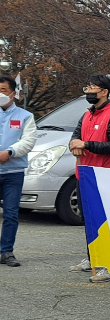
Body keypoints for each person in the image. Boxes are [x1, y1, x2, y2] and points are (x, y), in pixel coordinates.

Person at [67, 75, 110, 282]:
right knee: (88, 220)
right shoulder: (86, 114)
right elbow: (75, 137)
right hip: (83, 174)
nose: (89, 91)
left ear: (104, 92)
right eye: (88, 86)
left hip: (103, 177)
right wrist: (74, 145)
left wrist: (87, 145)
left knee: (104, 223)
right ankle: (94, 258)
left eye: (93, 87)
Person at [0, 76, 37, 267]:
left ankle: (6, 252)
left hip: (13, 172)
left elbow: (28, 140)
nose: (0, 94)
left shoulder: (25, 116)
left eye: (3, 91)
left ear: (13, 94)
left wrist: (10, 152)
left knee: (11, 213)